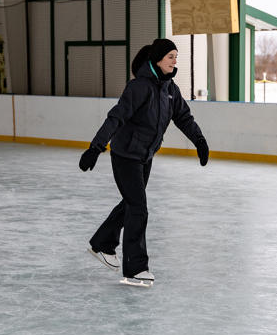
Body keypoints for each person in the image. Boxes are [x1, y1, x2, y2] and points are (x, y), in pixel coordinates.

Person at [79, 38, 209, 286]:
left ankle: (102, 243)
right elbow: (115, 118)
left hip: (145, 156)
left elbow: (184, 117)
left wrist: (200, 141)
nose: (174, 61)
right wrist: (95, 147)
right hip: (125, 155)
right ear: (158, 59)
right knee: (138, 207)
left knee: (131, 204)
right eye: (170, 56)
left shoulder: (170, 90)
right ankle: (135, 269)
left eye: (176, 56)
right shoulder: (138, 87)